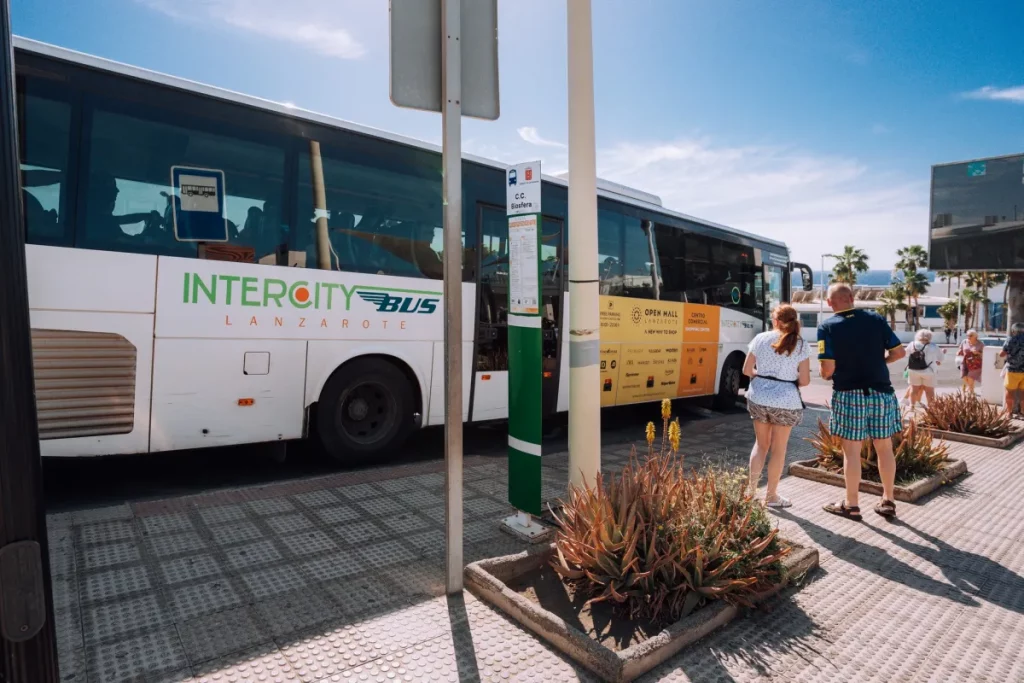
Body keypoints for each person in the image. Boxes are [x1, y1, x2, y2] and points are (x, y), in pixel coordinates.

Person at [817, 283, 906, 520]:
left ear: (829, 303)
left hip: (849, 394)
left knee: (852, 452)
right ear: (852, 298)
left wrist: (825, 375)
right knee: (884, 448)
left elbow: (827, 369)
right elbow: (899, 353)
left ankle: (852, 505)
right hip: (881, 392)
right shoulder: (876, 319)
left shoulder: (827, 326)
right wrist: (878, 363)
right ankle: (888, 500)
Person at [742, 304, 812, 508]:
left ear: (776, 321)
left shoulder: (760, 338)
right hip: (786, 402)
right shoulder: (801, 344)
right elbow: (805, 381)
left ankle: (750, 492)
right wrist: (787, 382)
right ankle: (771, 496)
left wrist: (763, 378)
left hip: (759, 398)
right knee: (779, 449)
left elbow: (747, 369)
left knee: (760, 445)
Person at [905, 329, 942, 409]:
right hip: (929, 371)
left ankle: (912, 406)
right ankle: (931, 408)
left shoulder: (912, 344)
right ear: (930, 337)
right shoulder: (934, 346)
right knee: (929, 391)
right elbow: (941, 358)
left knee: (914, 389)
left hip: (913, 370)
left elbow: (906, 354)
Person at [1000, 323, 1024, 415]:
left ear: (1014, 331)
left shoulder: (1010, 339)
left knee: (1009, 392)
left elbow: (1002, 354)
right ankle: (1022, 411)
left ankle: (1009, 412)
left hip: (1012, 370)